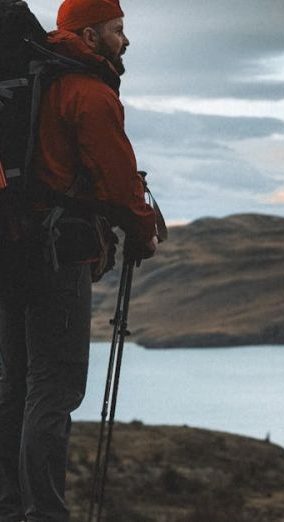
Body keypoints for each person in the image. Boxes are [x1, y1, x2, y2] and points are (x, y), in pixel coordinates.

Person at [0, 0, 157, 520]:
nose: (125, 40)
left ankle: (12, 504)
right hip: (56, 255)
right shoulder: (86, 92)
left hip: (9, 247)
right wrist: (141, 230)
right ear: (89, 37)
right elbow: (116, 179)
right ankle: (45, 513)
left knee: (17, 381)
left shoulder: (31, 78)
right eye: (117, 30)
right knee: (56, 384)